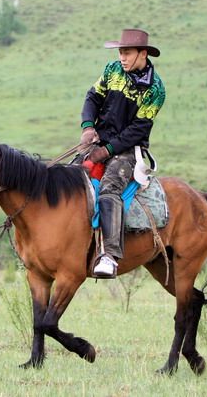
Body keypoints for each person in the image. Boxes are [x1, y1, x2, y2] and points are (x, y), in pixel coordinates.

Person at [80, 28, 166, 278]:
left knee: (109, 189)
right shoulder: (111, 70)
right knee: (69, 179)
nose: (122, 57)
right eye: (120, 52)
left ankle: (109, 255)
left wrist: (106, 150)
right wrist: (87, 127)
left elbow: (138, 130)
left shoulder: (155, 90)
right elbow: (92, 97)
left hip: (128, 151)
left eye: (127, 53)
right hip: (97, 143)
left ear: (142, 54)